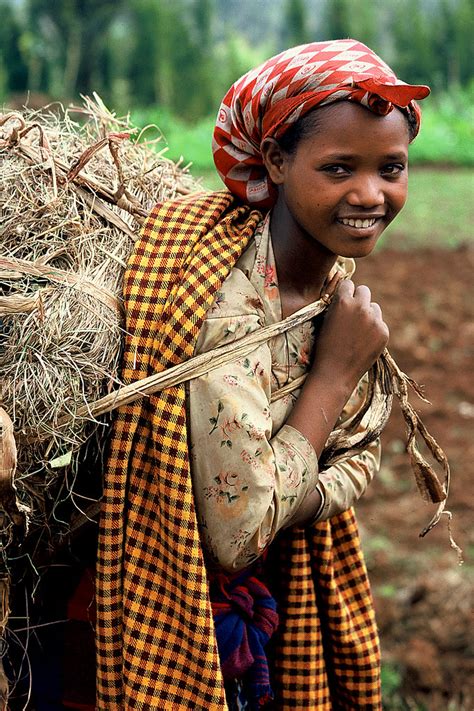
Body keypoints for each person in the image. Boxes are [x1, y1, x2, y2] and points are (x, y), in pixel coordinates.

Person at [96, 39, 430, 710]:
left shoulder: (330, 287)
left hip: (271, 592)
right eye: (339, 168)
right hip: (189, 601)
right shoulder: (233, 311)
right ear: (275, 160)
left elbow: (360, 456)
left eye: (390, 167)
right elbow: (242, 531)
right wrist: (333, 376)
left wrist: (290, 489)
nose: (370, 193)